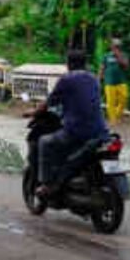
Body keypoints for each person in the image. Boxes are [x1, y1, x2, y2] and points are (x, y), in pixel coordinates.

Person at [33, 50, 107, 197]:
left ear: (68, 64)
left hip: (77, 131)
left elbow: (49, 102)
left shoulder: (67, 80)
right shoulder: (93, 79)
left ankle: (46, 185)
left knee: (44, 142)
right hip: (100, 131)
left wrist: (33, 112)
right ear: (85, 64)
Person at [98, 38, 130, 124]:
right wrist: (99, 79)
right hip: (109, 82)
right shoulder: (106, 56)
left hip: (121, 81)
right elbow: (102, 68)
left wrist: (118, 56)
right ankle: (113, 120)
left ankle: (117, 114)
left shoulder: (123, 55)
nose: (116, 48)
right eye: (115, 46)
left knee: (124, 98)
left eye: (118, 46)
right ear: (111, 47)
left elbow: (126, 66)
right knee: (110, 102)